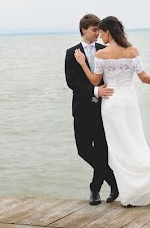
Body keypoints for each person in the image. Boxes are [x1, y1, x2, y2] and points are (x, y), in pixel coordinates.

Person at [74, 15, 150, 207]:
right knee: (136, 143)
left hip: (112, 103)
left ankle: (130, 192)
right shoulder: (132, 51)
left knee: (119, 149)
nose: (100, 37)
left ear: (107, 32)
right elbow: (145, 78)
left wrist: (81, 63)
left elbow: (95, 82)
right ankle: (141, 187)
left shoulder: (101, 55)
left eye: (102, 33)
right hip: (130, 102)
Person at [64, 14, 119, 205]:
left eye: (98, 30)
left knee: (102, 150)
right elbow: (72, 82)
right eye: (94, 30)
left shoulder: (104, 50)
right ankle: (113, 180)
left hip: (104, 110)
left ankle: (95, 190)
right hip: (81, 109)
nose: (97, 33)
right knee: (84, 149)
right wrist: (95, 90)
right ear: (83, 30)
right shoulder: (72, 53)